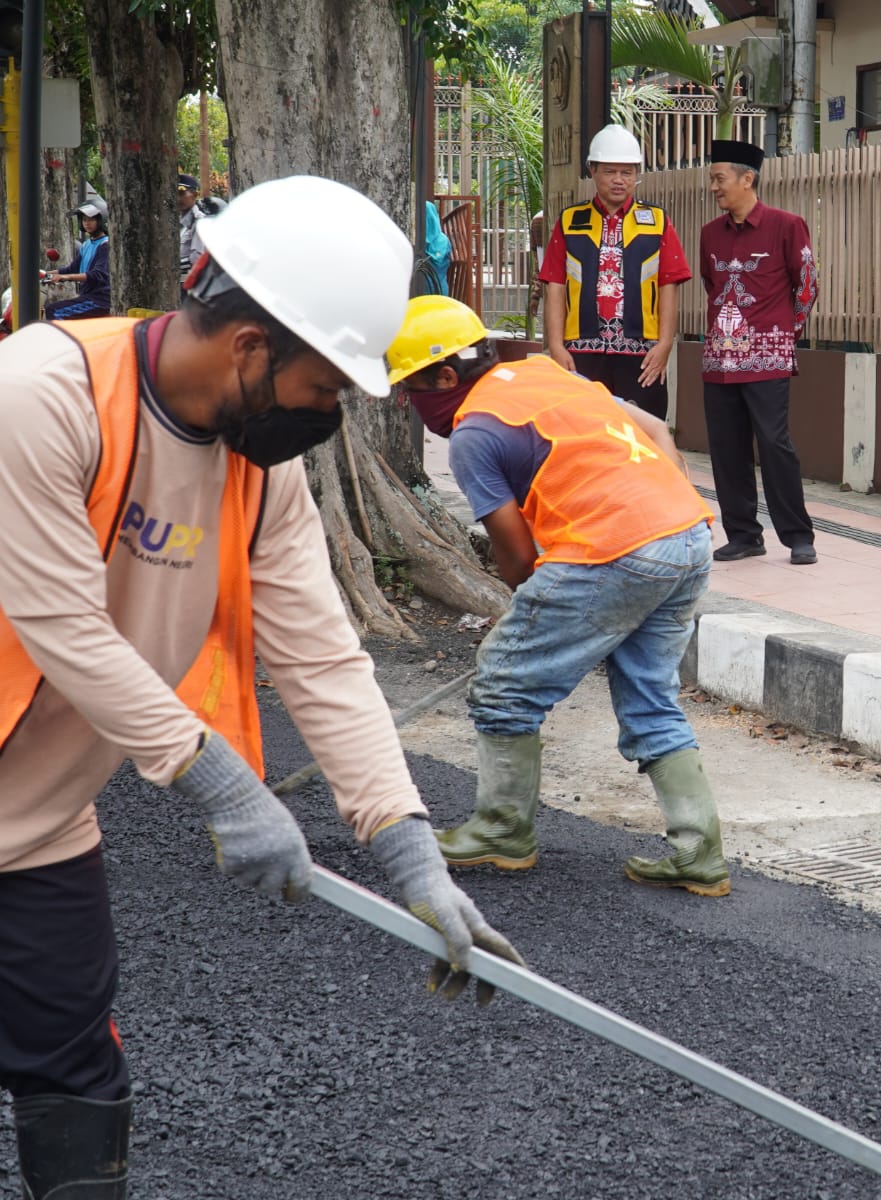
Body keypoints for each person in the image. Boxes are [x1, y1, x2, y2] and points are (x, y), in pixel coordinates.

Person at [0, 176, 522, 1198]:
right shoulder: (40, 394)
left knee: (74, 1073)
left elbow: (323, 658)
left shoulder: (259, 475)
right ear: (251, 346)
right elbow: (60, 622)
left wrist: (409, 850)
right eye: (326, 390)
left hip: (40, 830)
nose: (326, 418)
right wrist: (224, 784)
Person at [387, 294, 732, 899]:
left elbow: (517, 558)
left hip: (612, 547)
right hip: (688, 534)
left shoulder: (473, 434)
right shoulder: (548, 373)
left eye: (409, 391)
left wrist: (543, 620)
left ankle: (501, 831)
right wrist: (666, 514)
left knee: (503, 682)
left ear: (446, 377)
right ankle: (698, 850)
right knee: (650, 693)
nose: (407, 404)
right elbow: (653, 427)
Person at [700, 137, 819, 566]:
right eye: (712, 179)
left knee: (774, 443)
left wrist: (782, 334)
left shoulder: (787, 225)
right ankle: (744, 534)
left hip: (768, 359)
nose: (714, 187)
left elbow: (806, 287)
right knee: (726, 447)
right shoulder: (709, 234)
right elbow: (712, 286)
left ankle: (797, 535)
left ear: (747, 179)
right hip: (719, 358)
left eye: (720, 179)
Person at [540, 124, 691, 421]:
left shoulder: (657, 221)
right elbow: (555, 285)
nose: (619, 180)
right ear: (592, 171)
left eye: (627, 172)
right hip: (580, 354)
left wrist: (664, 345)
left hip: (642, 355)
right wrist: (556, 346)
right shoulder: (570, 221)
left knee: (644, 436)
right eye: (610, 171)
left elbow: (668, 285)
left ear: (637, 175)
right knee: (583, 433)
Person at [43, 197, 111, 321]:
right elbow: (71, 269)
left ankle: (63, 341)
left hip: (99, 299)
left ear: (101, 220)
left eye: (91, 219)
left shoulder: (105, 245)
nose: (87, 223)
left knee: (54, 310)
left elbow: (97, 274)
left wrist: (65, 277)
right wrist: (44, 274)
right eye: (84, 220)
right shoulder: (86, 244)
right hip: (87, 296)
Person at [178, 173, 228, 275]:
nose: (178, 198)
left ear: (194, 195)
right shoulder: (182, 221)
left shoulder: (200, 222)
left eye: (181, 193)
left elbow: (196, 258)